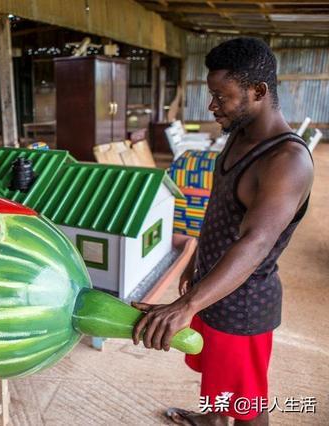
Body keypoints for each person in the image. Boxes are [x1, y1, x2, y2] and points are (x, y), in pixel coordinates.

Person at [131, 38, 313, 425]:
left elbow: (256, 241)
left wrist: (187, 304)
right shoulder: (239, 136)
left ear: (258, 91)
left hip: (242, 305)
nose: (212, 106)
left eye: (221, 96)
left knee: (247, 406)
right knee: (218, 381)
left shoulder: (286, 162)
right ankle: (212, 419)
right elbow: (220, 208)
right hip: (213, 287)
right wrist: (196, 260)